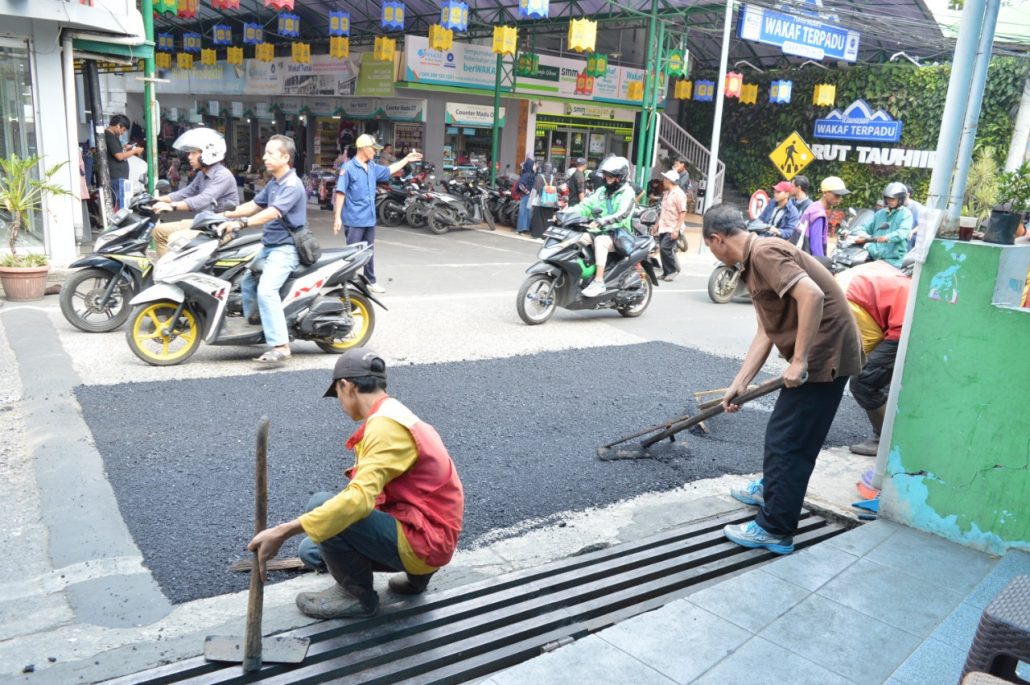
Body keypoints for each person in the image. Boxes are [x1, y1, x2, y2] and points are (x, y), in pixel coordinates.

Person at [247, 348, 465, 619]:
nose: (339, 401)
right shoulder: (398, 414)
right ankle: (417, 579)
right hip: (434, 533)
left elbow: (358, 502)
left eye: (337, 393)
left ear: (345, 386)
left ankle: (356, 597)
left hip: (425, 542)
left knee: (321, 505)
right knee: (311, 549)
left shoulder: (384, 427)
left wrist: (283, 531)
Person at [703, 204, 862, 555]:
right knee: (786, 434)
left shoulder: (764, 252)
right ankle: (774, 490)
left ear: (716, 239)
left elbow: (812, 295)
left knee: (788, 441)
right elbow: (765, 332)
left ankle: (775, 528)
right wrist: (739, 383)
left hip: (825, 356)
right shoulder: (751, 263)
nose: (713, 254)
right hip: (821, 354)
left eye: (710, 247)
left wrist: (801, 358)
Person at [220, 135, 306, 365]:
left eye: (270, 153)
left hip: (285, 249)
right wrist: (226, 214)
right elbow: (256, 205)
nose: (264, 157)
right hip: (269, 247)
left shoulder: (291, 184)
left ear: (285, 157)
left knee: (266, 291)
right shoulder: (275, 183)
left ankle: (281, 345)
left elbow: (272, 212)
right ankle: (258, 329)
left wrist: (242, 223)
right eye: (265, 153)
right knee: (247, 282)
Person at [835, 260, 912, 456]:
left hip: (904, 325)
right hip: (905, 310)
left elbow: (869, 341)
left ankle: (883, 441)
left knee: (864, 381)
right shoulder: (842, 281)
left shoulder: (839, 299)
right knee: (885, 379)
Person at [333, 134, 422, 294]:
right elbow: (341, 193)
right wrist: (337, 217)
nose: (375, 152)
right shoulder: (348, 168)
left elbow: (389, 170)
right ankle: (347, 282)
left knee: (369, 252)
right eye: (373, 149)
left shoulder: (372, 167)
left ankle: (370, 281)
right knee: (352, 253)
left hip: (369, 218)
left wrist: (406, 159)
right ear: (363, 149)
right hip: (354, 219)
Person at [151, 128, 240, 257]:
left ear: (209, 153)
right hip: (204, 222)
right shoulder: (202, 174)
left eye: (194, 153)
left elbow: (203, 200)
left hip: (222, 228)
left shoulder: (222, 175)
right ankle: (163, 275)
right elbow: (186, 192)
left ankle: (177, 275)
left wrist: (172, 206)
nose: (189, 157)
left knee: (175, 239)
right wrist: (157, 200)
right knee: (159, 231)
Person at [572, 156, 637, 298]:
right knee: (577, 238)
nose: (606, 179)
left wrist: (602, 221)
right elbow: (586, 205)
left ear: (620, 177)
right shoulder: (602, 191)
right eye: (606, 175)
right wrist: (565, 213)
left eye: (611, 177)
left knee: (600, 241)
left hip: (619, 234)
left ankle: (599, 281)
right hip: (599, 230)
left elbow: (622, 214)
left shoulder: (628, 193)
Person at [853, 182, 913, 268]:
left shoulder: (906, 214)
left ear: (900, 199)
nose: (889, 201)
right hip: (874, 257)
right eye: (887, 198)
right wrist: (865, 237)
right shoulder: (880, 213)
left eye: (892, 199)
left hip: (893, 261)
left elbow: (902, 232)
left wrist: (887, 238)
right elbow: (863, 227)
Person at [799, 176, 849, 258]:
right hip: (806, 260)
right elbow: (816, 248)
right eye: (837, 195)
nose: (839, 199)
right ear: (825, 193)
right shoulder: (819, 214)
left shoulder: (813, 206)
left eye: (841, 195)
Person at [104, 114, 143, 210]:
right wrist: (134, 151)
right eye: (123, 130)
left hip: (119, 178)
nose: (123, 133)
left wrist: (125, 148)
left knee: (123, 205)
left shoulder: (113, 137)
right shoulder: (110, 137)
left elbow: (117, 152)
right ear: (118, 125)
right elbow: (119, 156)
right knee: (120, 207)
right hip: (116, 178)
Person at [656, 169, 687, 281]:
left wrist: (676, 230)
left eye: (665, 179)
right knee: (663, 249)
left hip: (673, 227)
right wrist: (656, 225)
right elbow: (663, 211)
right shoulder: (667, 193)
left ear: (669, 181)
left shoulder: (679, 194)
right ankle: (666, 272)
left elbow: (682, 212)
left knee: (665, 248)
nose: (663, 181)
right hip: (664, 226)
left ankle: (673, 270)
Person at [530, 162, 558, 238]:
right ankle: (546, 235)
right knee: (548, 218)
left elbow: (534, 190)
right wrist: (556, 203)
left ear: (543, 168)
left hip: (540, 201)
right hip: (550, 202)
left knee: (538, 218)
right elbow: (556, 190)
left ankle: (537, 234)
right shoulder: (553, 178)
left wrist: (530, 203)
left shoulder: (539, 177)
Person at [515, 158, 536, 235]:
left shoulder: (531, 174)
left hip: (529, 196)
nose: (535, 166)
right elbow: (521, 185)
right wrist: (528, 192)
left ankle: (524, 228)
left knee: (527, 213)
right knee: (524, 212)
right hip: (526, 196)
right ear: (530, 166)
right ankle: (521, 229)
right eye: (534, 165)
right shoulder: (526, 175)